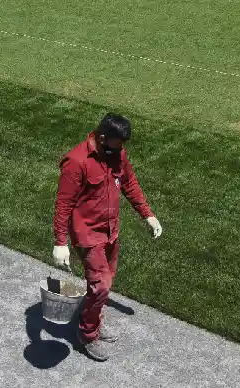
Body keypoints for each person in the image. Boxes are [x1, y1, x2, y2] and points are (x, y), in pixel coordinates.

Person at [52, 113, 162, 362]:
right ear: (102, 138)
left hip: (111, 231)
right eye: (117, 144)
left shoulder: (117, 154)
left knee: (104, 283)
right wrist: (60, 242)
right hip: (88, 234)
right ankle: (87, 335)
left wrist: (147, 214)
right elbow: (63, 205)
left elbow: (129, 183)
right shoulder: (76, 161)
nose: (121, 150)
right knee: (101, 285)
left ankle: (94, 321)